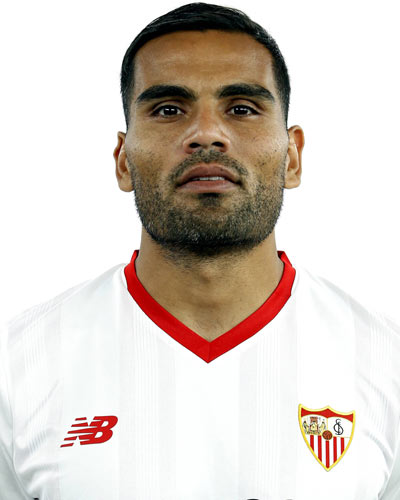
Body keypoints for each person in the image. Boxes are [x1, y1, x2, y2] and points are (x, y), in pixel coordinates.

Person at [1, 3, 399, 499]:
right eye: (169, 110)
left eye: (242, 108)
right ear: (122, 161)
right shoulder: (16, 367)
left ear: (292, 157)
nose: (207, 134)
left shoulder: (386, 362)